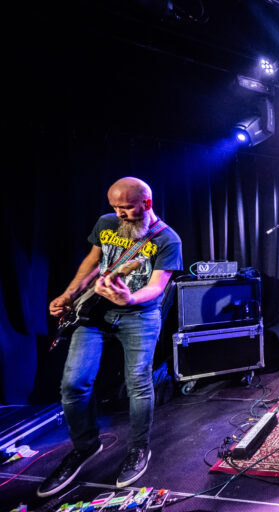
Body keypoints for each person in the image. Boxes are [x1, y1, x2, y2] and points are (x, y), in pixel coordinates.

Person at [38, 177, 183, 497]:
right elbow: (92, 261)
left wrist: (129, 299)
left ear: (146, 203)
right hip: (94, 314)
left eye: (127, 208)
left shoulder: (168, 240)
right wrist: (68, 293)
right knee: (74, 384)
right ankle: (85, 447)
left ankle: (138, 449)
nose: (120, 214)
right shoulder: (106, 223)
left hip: (140, 316)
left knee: (138, 382)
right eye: (116, 207)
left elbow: (157, 287)